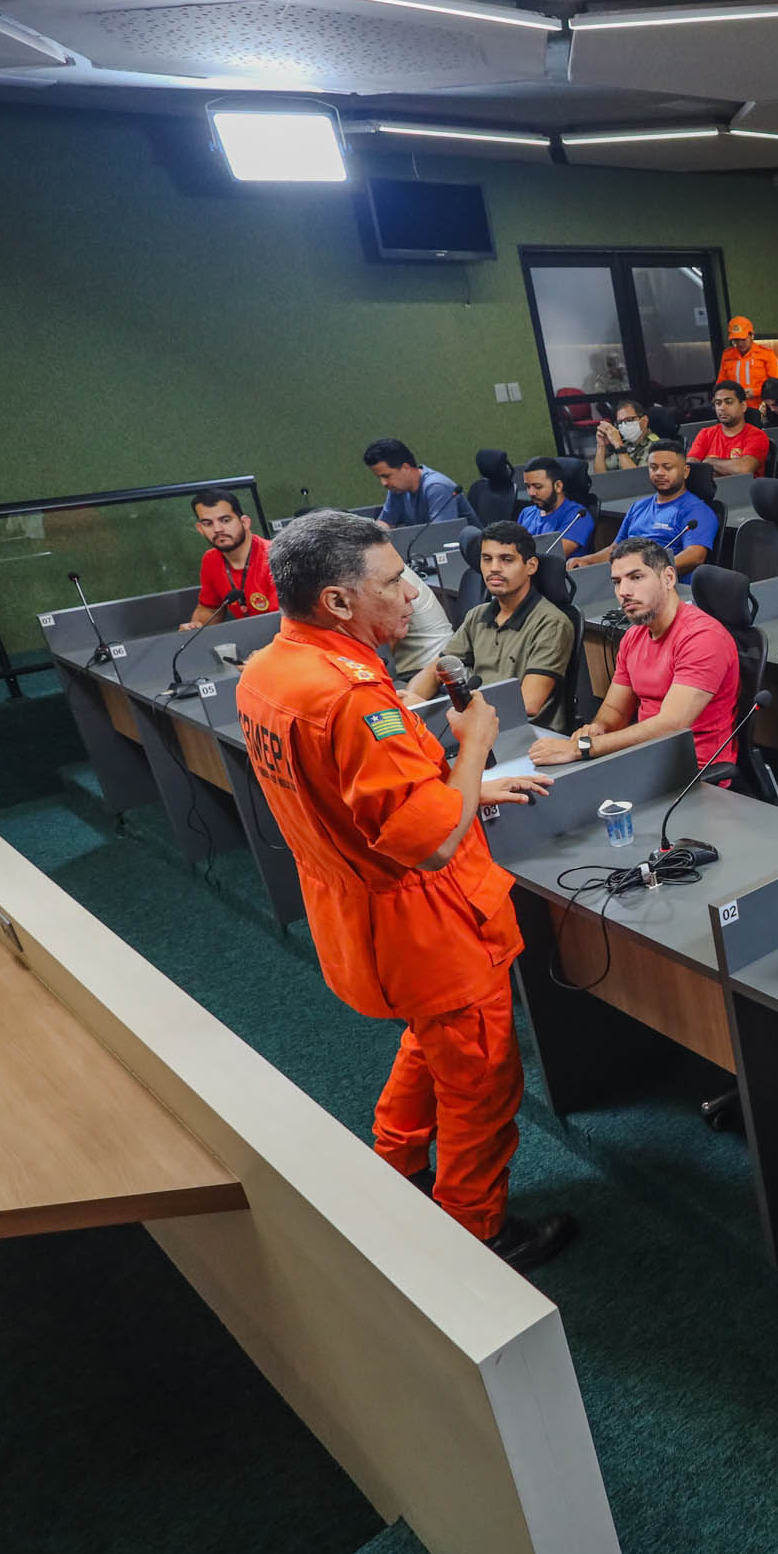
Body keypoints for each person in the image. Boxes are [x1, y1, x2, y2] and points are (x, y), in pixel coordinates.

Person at [232, 509, 571, 1270]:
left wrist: (466, 788)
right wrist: (477, 744)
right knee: (481, 1077)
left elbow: (354, 798)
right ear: (338, 601)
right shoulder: (352, 695)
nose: (414, 598)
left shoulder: (269, 671)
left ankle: (399, 1164)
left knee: (426, 1041)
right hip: (431, 928)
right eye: (393, 584)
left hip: (357, 918)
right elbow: (430, 843)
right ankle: (478, 1231)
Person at [531, 538, 740, 772]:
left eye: (636, 577)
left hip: (692, 771)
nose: (624, 592)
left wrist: (583, 747)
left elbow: (670, 726)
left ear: (669, 578)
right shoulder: (634, 636)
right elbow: (616, 711)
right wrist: (598, 728)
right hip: (643, 758)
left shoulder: (702, 638)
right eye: (617, 582)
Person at [405, 520, 576, 732]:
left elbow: (527, 704)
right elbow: (436, 670)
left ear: (530, 566)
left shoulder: (552, 623)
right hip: (479, 722)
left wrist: (452, 711)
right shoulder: (477, 615)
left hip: (526, 732)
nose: (494, 568)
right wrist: (412, 701)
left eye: (506, 559)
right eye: (487, 559)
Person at [578, 438, 716, 573]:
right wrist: (587, 560)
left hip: (667, 584)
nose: (659, 473)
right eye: (653, 467)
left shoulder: (696, 511)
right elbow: (615, 549)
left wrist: (651, 570)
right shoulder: (638, 507)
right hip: (629, 578)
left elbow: (695, 555)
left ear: (685, 472)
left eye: (667, 467)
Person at [180, 486, 276, 628]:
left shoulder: (276, 556)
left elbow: (285, 620)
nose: (217, 529)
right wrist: (195, 627)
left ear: (245, 523)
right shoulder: (210, 560)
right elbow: (209, 608)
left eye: (225, 520)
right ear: (200, 529)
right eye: (208, 524)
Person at [364, 438, 464, 527]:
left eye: (386, 476)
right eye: (380, 478)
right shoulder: (397, 489)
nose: (384, 483)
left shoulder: (437, 487)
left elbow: (440, 534)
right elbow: (385, 522)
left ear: (406, 468)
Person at [383, 563, 455, 682]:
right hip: (425, 669)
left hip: (428, 673)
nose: (413, 593)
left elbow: (382, 661)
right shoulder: (386, 571)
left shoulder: (384, 581)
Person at [514, 456, 594, 558]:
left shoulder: (578, 516)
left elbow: (552, 557)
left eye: (538, 487)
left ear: (558, 486)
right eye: (528, 486)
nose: (531, 493)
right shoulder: (526, 513)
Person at [690, 380, 771, 480]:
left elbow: (743, 469)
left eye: (728, 402)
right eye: (718, 403)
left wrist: (709, 462)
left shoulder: (757, 436)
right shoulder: (705, 434)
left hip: (743, 493)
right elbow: (691, 465)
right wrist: (725, 468)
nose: (722, 408)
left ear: (743, 406)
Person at [716, 316, 778, 400]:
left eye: (743, 339)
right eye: (736, 340)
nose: (740, 344)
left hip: (761, 406)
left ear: (752, 335)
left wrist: (756, 392)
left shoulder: (766, 354)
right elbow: (721, 383)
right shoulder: (727, 355)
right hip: (736, 407)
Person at [593, 401, 647, 473]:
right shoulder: (626, 444)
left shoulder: (655, 446)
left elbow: (636, 478)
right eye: (620, 422)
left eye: (629, 420)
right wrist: (601, 446)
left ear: (644, 421)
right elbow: (600, 476)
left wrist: (619, 446)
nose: (624, 425)